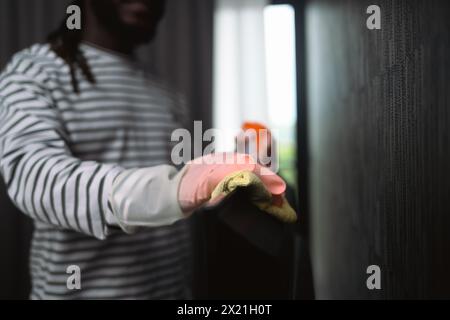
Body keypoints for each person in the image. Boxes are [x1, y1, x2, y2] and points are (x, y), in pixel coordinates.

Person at [0, 0, 288, 299]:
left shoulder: (165, 91)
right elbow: (35, 178)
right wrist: (171, 189)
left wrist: (234, 171)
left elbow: (182, 193)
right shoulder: (34, 72)